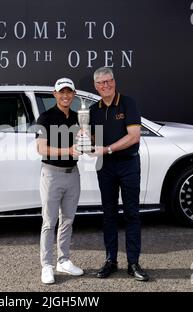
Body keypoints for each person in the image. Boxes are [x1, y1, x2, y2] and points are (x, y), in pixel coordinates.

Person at [89, 67, 149, 281]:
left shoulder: (127, 103)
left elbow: (134, 137)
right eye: (101, 83)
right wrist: (84, 140)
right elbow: (93, 139)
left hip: (128, 164)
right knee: (109, 214)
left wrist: (107, 149)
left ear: (114, 82)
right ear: (95, 86)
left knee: (132, 213)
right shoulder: (93, 109)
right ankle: (110, 261)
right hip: (105, 167)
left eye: (109, 81)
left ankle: (133, 263)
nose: (106, 85)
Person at [36, 77, 84, 284]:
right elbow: (41, 148)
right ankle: (47, 265)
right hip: (52, 174)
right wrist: (69, 150)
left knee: (68, 220)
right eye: (61, 92)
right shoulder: (45, 118)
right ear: (54, 94)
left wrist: (87, 143)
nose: (65, 95)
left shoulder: (78, 118)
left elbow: (84, 144)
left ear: (73, 95)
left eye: (69, 92)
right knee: (49, 222)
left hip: (73, 174)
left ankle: (63, 261)